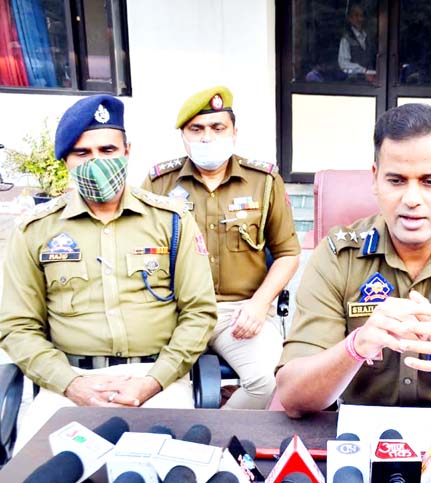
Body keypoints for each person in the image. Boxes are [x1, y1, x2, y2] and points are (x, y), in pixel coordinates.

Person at [274, 103, 431, 420]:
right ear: (375, 179)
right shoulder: (338, 255)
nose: (411, 199)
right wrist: (354, 347)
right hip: (357, 441)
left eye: (429, 182)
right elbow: (293, 396)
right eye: (396, 180)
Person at [0, 95, 217, 447]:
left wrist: (154, 380)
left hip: (157, 382)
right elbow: (17, 326)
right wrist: (71, 383)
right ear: (66, 161)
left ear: (127, 152)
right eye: (82, 154)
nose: (97, 162)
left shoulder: (172, 221)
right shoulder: (35, 229)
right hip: (68, 385)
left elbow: (199, 313)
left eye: (107, 150)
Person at [143, 86, 300, 409]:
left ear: (234, 132)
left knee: (266, 383)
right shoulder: (160, 184)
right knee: (155, 389)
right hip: (175, 311)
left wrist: (259, 305)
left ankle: (214, 441)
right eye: (196, 129)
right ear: (183, 136)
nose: (207, 138)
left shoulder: (264, 181)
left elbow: (288, 254)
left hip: (241, 312)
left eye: (218, 128)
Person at [338, 4, 376, 78]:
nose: (360, 19)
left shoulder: (368, 37)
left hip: (370, 83)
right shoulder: (346, 39)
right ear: (350, 18)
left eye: (362, 16)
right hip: (354, 84)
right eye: (356, 15)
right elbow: (343, 64)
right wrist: (363, 71)